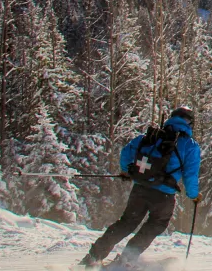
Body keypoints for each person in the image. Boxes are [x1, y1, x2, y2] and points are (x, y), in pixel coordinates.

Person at [79, 106, 201, 269]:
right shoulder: (189, 145)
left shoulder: (151, 137)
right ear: (189, 123)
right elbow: (190, 175)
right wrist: (193, 195)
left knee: (127, 222)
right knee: (157, 223)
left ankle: (92, 257)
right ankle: (127, 259)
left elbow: (126, 152)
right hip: (163, 195)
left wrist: (126, 171)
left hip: (140, 189)